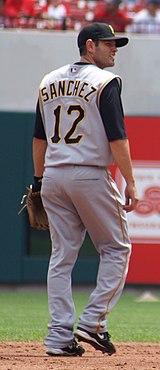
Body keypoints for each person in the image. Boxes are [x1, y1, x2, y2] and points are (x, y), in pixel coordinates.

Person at [32, 22, 138, 356]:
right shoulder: (105, 82)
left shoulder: (48, 81)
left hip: (53, 175)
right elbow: (117, 137)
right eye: (108, 44)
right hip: (88, 173)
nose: (114, 49)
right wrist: (131, 181)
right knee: (117, 248)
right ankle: (93, 322)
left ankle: (59, 336)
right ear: (89, 46)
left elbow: (39, 138)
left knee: (61, 257)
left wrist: (38, 181)